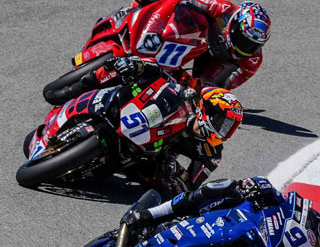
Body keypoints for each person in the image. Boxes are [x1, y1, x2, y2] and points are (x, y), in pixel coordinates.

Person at [122, 176, 320, 247]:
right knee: (227, 189)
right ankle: (154, 214)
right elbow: (280, 197)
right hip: (248, 226)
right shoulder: (306, 211)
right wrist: (260, 186)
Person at [100, 56, 243, 194]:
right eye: (222, 122)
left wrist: (178, 172)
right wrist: (136, 65)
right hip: (141, 121)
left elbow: (190, 189)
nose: (224, 130)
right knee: (115, 75)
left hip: (152, 158)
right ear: (208, 109)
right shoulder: (186, 96)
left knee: (161, 184)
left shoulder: (212, 154)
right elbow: (159, 71)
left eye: (229, 126)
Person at [127, 0, 271, 90]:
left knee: (200, 94)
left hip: (217, 61)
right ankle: (135, 28)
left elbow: (222, 88)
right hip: (199, 40)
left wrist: (195, 84)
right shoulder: (223, 8)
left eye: (253, 46)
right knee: (179, 9)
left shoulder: (252, 61)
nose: (246, 49)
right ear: (234, 25)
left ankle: (168, 77)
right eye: (244, 41)